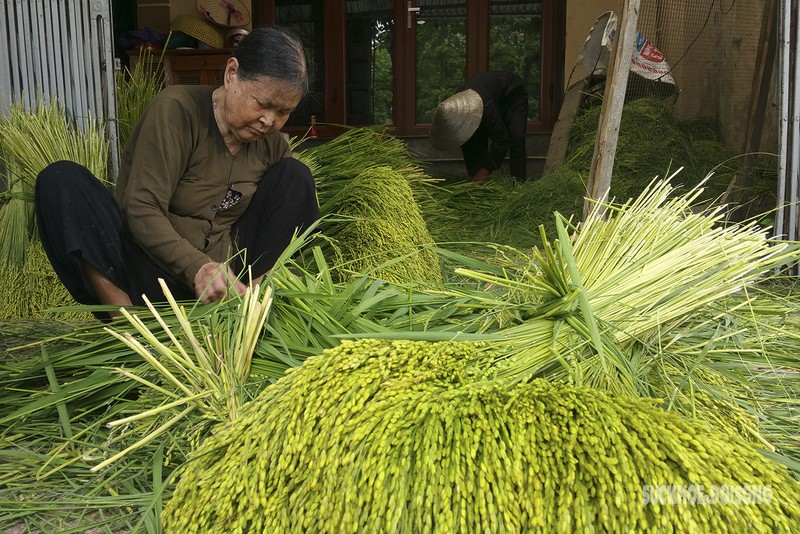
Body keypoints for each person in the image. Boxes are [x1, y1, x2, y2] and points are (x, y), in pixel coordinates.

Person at [34, 25, 321, 321]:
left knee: (296, 177)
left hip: (227, 285)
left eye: (283, 113)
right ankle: (127, 324)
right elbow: (141, 208)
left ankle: (251, 312)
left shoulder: (270, 144)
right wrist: (197, 266)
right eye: (263, 104)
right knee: (61, 180)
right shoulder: (176, 111)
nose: (268, 120)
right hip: (151, 272)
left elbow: (289, 216)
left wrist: (249, 283)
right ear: (231, 73)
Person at [429, 70, 529, 183]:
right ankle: (480, 187)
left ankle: (519, 185)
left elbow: (502, 141)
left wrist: (483, 172)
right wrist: (474, 176)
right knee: (472, 139)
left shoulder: (485, 106)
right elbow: (468, 145)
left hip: (512, 94)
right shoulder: (453, 107)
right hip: (488, 96)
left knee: (516, 137)